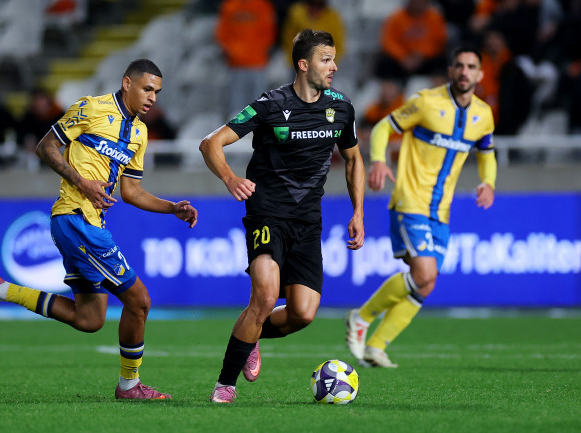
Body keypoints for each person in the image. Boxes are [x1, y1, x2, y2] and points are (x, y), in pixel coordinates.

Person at [0, 59, 198, 400]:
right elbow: (45, 146)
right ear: (127, 83)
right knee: (139, 301)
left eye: (157, 92)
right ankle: (129, 386)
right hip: (75, 218)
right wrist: (81, 181)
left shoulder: (140, 133)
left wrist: (171, 207)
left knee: (90, 319)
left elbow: (131, 192)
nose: (152, 98)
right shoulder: (91, 108)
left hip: (89, 224)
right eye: (147, 89)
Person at [200, 29, 365, 403]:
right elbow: (210, 143)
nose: (334, 67)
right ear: (304, 64)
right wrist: (230, 178)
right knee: (265, 295)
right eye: (326, 60)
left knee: (302, 314)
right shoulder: (270, 104)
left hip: (307, 222)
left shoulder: (342, 108)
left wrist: (358, 212)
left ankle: (253, 332)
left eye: (334, 59)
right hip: (267, 215)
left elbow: (354, 159)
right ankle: (225, 385)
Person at [345, 47, 497, 368]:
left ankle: (376, 346)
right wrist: (378, 161)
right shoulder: (427, 102)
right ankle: (362, 317)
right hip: (410, 200)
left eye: (471, 66)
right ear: (451, 70)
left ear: (480, 74)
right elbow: (384, 127)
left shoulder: (483, 115)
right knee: (424, 273)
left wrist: (488, 182)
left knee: (426, 283)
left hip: (441, 211)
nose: (465, 71)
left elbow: (486, 152)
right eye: (459, 65)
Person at [215, 0, 277, 119]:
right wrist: (232, 51)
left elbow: (269, 32)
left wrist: (260, 50)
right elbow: (222, 32)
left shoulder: (262, 6)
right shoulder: (229, 6)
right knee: (236, 101)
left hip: (257, 62)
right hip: (236, 63)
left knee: (258, 100)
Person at [375, 0, 448, 83]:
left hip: (425, 59)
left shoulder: (434, 17)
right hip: (402, 60)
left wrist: (421, 54)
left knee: (440, 61)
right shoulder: (396, 17)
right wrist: (403, 57)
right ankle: (389, 87)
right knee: (385, 62)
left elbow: (439, 41)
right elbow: (388, 41)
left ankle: (438, 85)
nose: (418, 4)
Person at [281, 0, 345, 66]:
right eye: (312, 4)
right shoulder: (296, 13)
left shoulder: (332, 18)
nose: (315, 8)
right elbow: (287, 38)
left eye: (319, 5)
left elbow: (338, 44)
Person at [16, 88, 65, 171]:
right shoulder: (29, 117)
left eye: (41, 99)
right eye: (36, 100)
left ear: (47, 100)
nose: (39, 103)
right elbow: (20, 135)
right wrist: (27, 141)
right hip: (36, 154)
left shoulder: (59, 115)